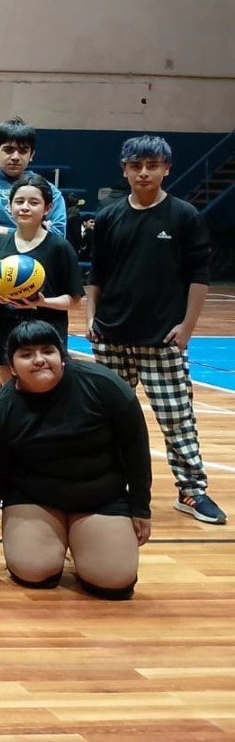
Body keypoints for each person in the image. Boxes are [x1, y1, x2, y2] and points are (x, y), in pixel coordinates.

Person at [86, 135, 223, 525]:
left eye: (152, 165)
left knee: (177, 418)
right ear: (125, 169)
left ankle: (191, 491)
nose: (143, 173)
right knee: (106, 419)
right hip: (112, 337)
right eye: (135, 166)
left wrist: (188, 326)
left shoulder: (184, 216)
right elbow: (96, 273)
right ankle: (107, 486)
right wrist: (91, 317)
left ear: (167, 169)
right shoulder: (109, 217)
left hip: (162, 338)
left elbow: (199, 277)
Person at [0, 321, 151, 600]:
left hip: (101, 497)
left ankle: (84, 541)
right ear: (12, 366)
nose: (39, 360)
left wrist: (141, 506)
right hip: (34, 498)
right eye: (26, 354)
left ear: (62, 356)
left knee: (114, 581)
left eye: (48, 351)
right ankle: (56, 541)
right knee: (34, 571)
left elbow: (136, 448)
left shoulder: (104, 385)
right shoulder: (0, 411)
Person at [0, 117, 68, 404]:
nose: (15, 156)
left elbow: (57, 233)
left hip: (35, 283)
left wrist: (0, 231)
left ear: (32, 155)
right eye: (8, 149)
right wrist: (20, 233)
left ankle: (31, 407)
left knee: (29, 348)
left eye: (23, 150)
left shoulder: (50, 191)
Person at [0, 173, 82, 385]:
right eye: (19, 201)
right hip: (7, 333)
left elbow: (74, 301)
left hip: (46, 336)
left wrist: (42, 302)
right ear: (10, 207)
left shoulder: (59, 247)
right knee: (11, 392)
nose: (25, 207)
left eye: (34, 202)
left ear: (48, 208)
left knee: (47, 395)